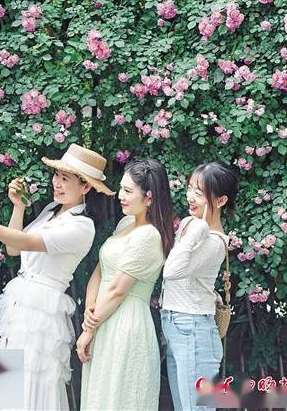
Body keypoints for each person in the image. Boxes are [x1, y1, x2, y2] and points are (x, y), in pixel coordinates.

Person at [0, 143, 115, 411]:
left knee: (33, 381)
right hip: (21, 303)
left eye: (65, 179)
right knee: (9, 381)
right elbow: (13, 249)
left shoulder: (82, 226)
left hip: (43, 309)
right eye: (57, 175)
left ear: (85, 187)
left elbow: (27, 242)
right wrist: (19, 207)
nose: (57, 183)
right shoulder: (51, 209)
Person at [77, 158, 174, 411]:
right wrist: (89, 310)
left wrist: (89, 329)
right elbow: (100, 271)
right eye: (121, 188)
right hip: (102, 317)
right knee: (98, 398)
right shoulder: (125, 224)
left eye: (128, 191)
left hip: (126, 325)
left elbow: (118, 289)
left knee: (119, 399)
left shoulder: (149, 236)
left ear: (149, 197)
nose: (120, 196)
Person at [160, 160, 239, 411]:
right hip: (176, 325)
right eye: (190, 189)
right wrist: (195, 227)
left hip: (193, 327)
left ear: (221, 200)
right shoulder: (188, 223)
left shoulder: (215, 242)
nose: (190, 197)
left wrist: (199, 229)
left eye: (199, 192)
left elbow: (171, 271)